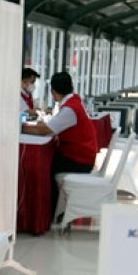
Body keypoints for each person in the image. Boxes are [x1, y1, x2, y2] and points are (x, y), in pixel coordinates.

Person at [22, 71, 97, 211]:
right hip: (82, 155)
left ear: (53, 91)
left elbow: (46, 130)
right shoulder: (74, 100)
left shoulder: (70, 109)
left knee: (43, 166)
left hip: (79, 160)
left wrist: (21, 128)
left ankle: (49, 208)